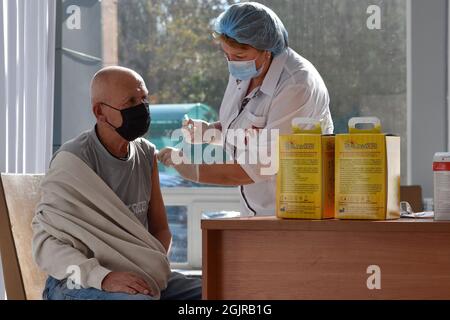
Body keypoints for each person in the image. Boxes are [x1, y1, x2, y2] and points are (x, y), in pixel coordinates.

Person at [32, 66, 202, 300]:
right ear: (100, 112)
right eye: (130, 101)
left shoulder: (146, 154)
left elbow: (161, 229)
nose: (142, 108)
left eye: (144, 98)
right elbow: (46, 245)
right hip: (77, 282)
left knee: (220, 289)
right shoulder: (72, 161)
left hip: (141, 275)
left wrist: (151, 265)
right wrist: (104, 278)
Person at [158, 2, 334, 216]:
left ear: (267, 50)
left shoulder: (297, 86)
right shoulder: (246, 69)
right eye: (226, 56)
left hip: (296, 213)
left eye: (239, 57)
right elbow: (246, 128)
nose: (232, 64)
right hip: (256, 212)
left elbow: (260, 166)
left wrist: (192, 170)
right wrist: (209, 132)